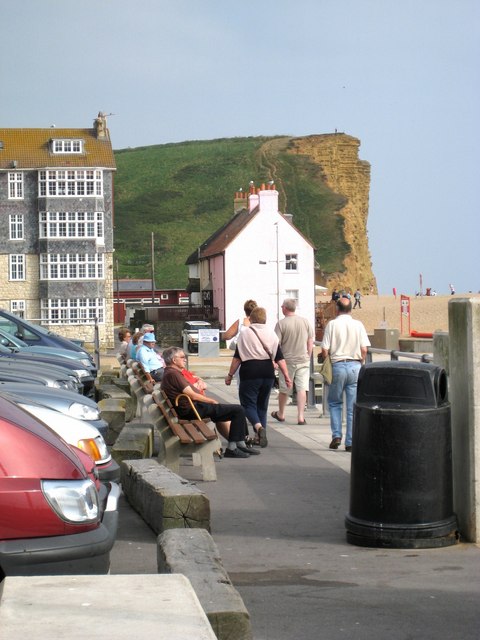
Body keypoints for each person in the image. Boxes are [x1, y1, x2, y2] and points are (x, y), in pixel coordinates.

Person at [161, 346, 256, 458]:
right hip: (192, 410)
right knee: (238, 410)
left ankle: (240, 444)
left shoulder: (171, 373)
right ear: (174, 360)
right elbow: (192, 394)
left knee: (236, 410)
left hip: (191, 408)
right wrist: (211, 400)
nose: (185, 359)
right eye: (182, 357)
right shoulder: (173, 374)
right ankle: (233, 447)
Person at [225, 306, 292, 447]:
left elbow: (237, 358)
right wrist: (286, 375)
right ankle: (260, 436)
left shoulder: (245, 333)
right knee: (262, 405)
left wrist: (230, 375)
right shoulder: (272, 334)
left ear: (252, 318)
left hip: (250, 371)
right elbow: (279, 357)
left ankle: (258, 428)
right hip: (268, 372)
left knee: (247, 404)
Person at [321, 296, 370, 451]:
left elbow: (324, 349)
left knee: (335, 402)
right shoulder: (358, 325)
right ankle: (350, 442)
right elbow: (364, 349)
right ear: (350, 309)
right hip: (355, 366)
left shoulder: (332, 325)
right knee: (352, 406)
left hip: (338, 365)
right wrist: (361, 362)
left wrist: (327, 361)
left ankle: (336, 435)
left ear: (337, 309)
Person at [272, 298, 314, 425]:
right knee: (302, 388)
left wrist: (274, 361)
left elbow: (276, 344)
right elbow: (310, 340)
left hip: (287, 361)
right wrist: (308, 354)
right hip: (303, 360)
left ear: (285, 308)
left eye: (282, 306)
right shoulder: (305, 322)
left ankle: (281, 413)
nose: (281, 308)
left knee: (285, 388)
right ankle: (300, 416)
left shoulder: (281, 324)